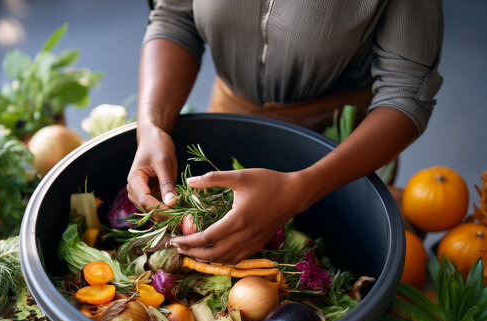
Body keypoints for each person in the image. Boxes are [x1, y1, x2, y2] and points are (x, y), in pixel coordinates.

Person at [126, 0, 444, 264]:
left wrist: (300, 188)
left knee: (338, 257)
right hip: (232, 119)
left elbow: (407, 92)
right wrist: (151, 125)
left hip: (338, 151)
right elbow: (174, 17)